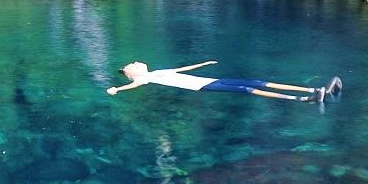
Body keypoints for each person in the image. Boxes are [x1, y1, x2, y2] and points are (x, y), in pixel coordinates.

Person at [106, 60, 343, 103]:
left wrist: (204, 64)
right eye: (131, 65)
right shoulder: (145, 78)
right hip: (204, 86)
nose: (135, 62)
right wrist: (117, 88)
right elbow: (134, 85)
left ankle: (316, 89)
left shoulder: (158, 70)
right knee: (248, 89)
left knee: (258, 81)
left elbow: (182, 69)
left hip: (211, 78)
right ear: (132, 72)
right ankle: (301, 99)